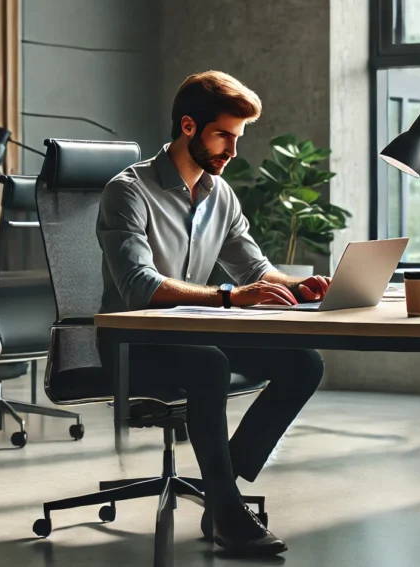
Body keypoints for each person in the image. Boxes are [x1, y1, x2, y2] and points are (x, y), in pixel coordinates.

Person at [96, 71, 325, 557]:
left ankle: (223, 487)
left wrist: (300, 286)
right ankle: (225, 509)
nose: (233, 151)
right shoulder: (129, 190)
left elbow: (256, 268)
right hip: (130, 341)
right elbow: (138, 285)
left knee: (303, 362)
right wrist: (227, 297)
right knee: (209, 363)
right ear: (188, 126)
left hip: (195, 333)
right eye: (224, 135)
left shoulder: (220, 194)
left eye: (237, 138)